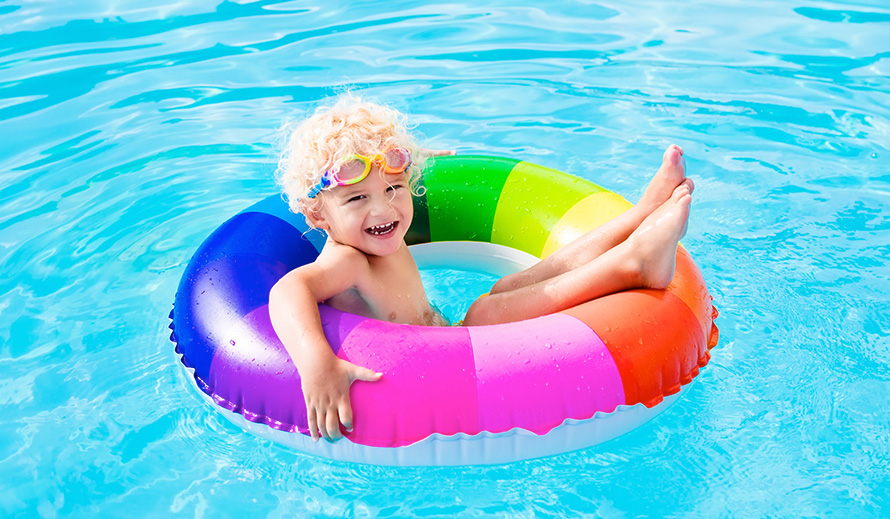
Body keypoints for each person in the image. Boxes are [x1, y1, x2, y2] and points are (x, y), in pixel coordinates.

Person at [269, 94, 693, 442]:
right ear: (318, 216)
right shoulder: (347, 259)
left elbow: (383, 181)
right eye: (357, 199)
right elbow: (287, 291)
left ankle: (638, 217)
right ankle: (632, 265)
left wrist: (410, 160)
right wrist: (316, 364)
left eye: (394, 188)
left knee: (508, 286)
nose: (384, 208)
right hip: (430, 376)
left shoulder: (376, 228)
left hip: (444, 337)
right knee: (485, 314)